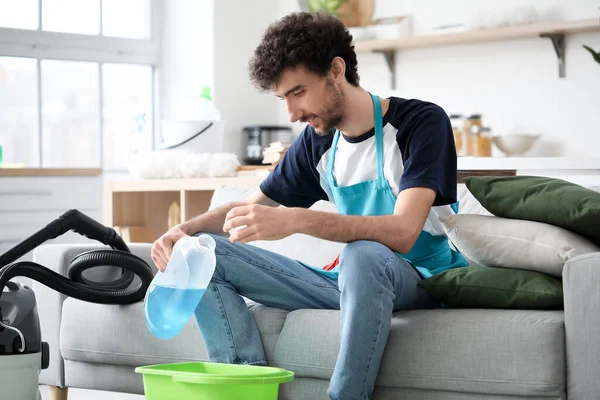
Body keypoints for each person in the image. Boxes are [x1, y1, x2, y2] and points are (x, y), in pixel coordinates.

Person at [151, 11, 469, 400]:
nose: (292, 114)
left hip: (423, 278)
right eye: (283, 98)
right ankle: (243, 386)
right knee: (204, 250)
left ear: (336, 70)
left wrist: (298, 220)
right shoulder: (318, 143)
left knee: (363, 255)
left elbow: (404, 232)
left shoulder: (421, 122)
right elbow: (244, 208)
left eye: (298, 92)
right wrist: (184, 230)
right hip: (350, 282)